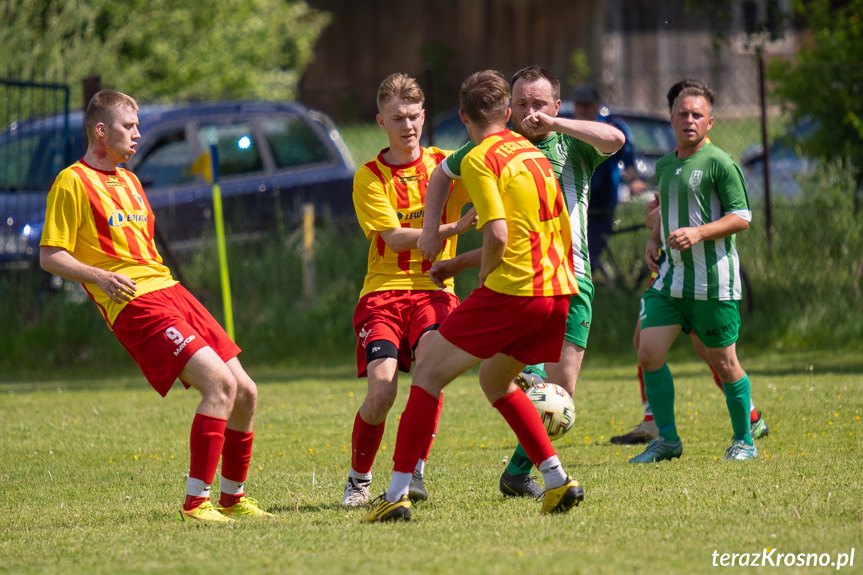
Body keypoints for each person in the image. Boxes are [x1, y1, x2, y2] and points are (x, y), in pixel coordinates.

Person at [39, 90, 271, 523]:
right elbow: (50, 255)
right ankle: (195, 503)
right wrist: (101, 278)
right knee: (219, 386)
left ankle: (232, 498)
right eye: (129, 127)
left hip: (171, 290)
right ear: (101, 130)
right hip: (134, 302)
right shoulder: (72, 180)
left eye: (138, 126)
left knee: (246, 392)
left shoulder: (129, 179)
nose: (137, 135)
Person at [363, 69, 583, 523]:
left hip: (514, 291)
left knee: (425, 375)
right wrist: (457, 261)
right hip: (558, 290)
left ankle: (397, 492)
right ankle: (558, 481)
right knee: (494, 381)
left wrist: (484, 279)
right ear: (508, 114)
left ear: (463, 117)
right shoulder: (534, 153)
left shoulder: (484, 158)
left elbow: (499, 236)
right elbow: (533, 232)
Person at [418, 66, 624, 498]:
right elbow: (441, 174)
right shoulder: (495, 148)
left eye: (540, 104)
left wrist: (556, 125)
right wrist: (432, 232)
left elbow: (616, 140)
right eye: (523, 104)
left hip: (569, 279)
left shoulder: (570, 143)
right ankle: (418, 469)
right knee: (493, 377)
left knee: (562, 392)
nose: (531, 113)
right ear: (508, 108)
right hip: (512, 287)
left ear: (555, 106)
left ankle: (516, 472)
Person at [344, 73, 478, 507]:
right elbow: (397, 238)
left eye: (415, 116)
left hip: (434, 290)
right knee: (382, 393)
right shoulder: (369, 176)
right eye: (397, 117)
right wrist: (455, 227)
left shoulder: (446, 163)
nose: (408, 126)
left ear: (425, 116)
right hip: (382, 294)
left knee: (430, 373)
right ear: (380, 120)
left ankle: (414, 471)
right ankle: (358, 479)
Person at [611, 79, 768, 445]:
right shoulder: (666, 165)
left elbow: (742, 216)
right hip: (671, 278)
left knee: (719, 357)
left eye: (698, 114)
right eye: (683, 113)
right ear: (671, 118)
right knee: (646, 348)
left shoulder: (720, 163)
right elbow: (667, 209)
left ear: (710, 122)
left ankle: (747, 429)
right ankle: (663, 435)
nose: (690, 120)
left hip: (711, 280)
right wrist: (653, 239)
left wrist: (698, 233)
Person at [571, 84, 647, 277]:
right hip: (573, 204)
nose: (584, 109)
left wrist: (634, 181)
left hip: (602, 204)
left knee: (589, 257)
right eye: (580, 104)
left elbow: (627, 159)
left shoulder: (611, 129)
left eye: (588, 104)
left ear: (597, 105)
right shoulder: (568, 129)